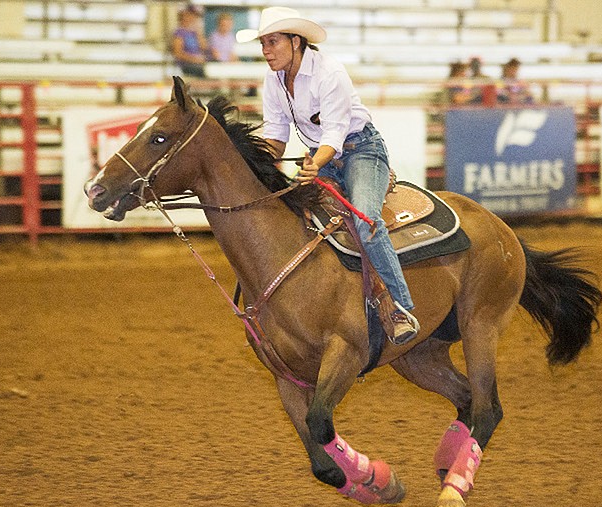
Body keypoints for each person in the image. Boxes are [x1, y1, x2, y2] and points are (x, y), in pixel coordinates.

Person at [235, 6, 419, 345]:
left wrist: (314, 164)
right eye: (263, 44)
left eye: (272, 42)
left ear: (296, 41)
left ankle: (400, 307)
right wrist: (252, 164)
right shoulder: (273, 78)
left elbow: (334, 135)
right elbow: (276, 133)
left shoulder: (329, 72)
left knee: (366, 220)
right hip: (321, 158)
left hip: (360, 150)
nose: (266, 51)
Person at [172, 4, 207, 78]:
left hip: (199, 64)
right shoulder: (179, 33)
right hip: (186, 65)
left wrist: (198, 33)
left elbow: (204, 48)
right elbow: (177, 53)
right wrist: (194, 59)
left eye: (195, 16)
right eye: (191, 15)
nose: (193, 18)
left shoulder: (195, 32)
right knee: (204, 72)